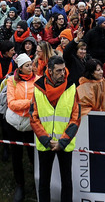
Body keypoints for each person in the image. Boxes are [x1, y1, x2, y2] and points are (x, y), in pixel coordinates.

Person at [30, 56, 80, 202]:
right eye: (58, 71)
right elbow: (33, 117)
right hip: (45, 143)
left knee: (67, 181)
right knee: (44, 181)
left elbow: (76, 117)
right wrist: (46, 139)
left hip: (64, 143)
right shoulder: (38, 88)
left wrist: (62, 141)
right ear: (49, 71)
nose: (62, 74)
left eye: (63, 70)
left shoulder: (71, 87)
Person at [3, 53, 37, 202]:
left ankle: (37, 180)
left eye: (31, 65)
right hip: (14, 123)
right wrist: (30, 103)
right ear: (20, 68)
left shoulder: (38, 80)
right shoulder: (11, 81)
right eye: (27, 65)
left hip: (31, 124)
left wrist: (24, 103)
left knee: (33, 154)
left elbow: (40, 101)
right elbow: (11, 103)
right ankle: (20, 184)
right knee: (16, 155)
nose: (31, 68)